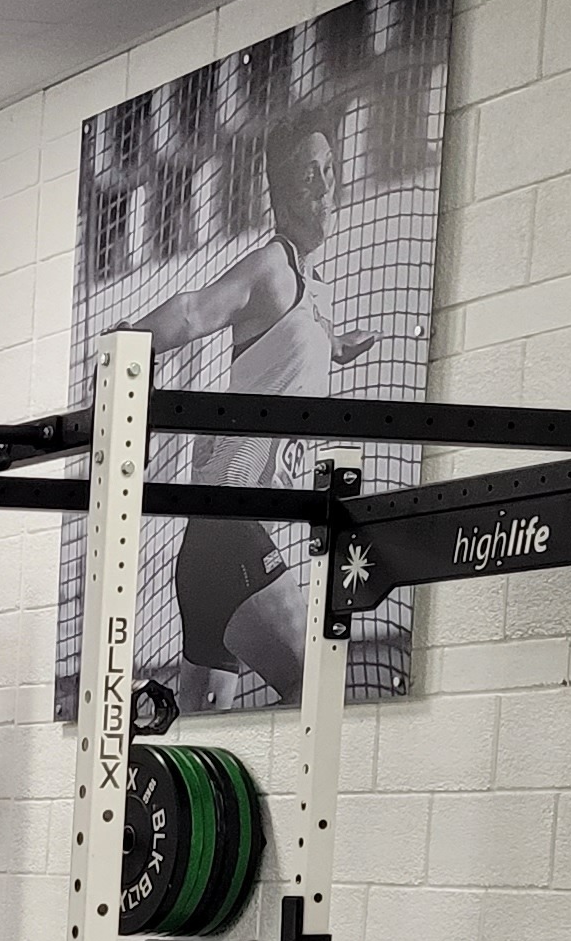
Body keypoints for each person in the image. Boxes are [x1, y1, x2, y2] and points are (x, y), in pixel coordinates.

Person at [101, 115, 386, 709]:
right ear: (281, 192)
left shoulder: (310, 289)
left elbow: (299, 337)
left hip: (211, 544)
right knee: (318, 682)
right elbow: (194, 311)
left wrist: (337, 344)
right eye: (310, 176)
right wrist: (125, 342)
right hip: (230, 530)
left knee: (197, 738)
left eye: (331, 173)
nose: (326, 188)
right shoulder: (272, 268)